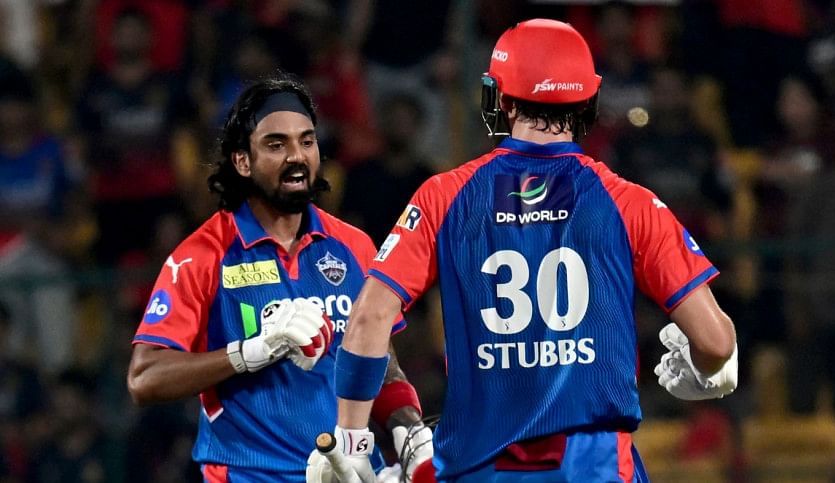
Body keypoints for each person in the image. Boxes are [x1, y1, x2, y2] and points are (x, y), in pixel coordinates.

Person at [329, 19, 739, 482]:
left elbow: (368, 319)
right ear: (587, 98)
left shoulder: (443, 197)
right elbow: (715, 341)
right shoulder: (630, 204)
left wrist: (352, 442)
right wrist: (706, 368)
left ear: (500, 98)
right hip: (596, 469)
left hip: (479, 469)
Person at [126, 73, 429, 482]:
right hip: (251, 475)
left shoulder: (354, 246)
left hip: (350, 472)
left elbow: (380, 359)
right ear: (242, 161)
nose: (296, 156)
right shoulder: (202, 255)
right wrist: (249, 353)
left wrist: (407, 429)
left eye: (307, 141)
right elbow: (144, 378)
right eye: (276, 144)